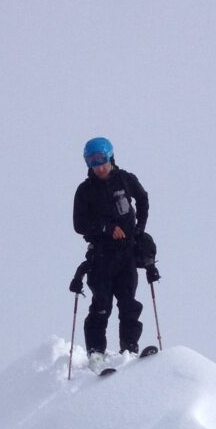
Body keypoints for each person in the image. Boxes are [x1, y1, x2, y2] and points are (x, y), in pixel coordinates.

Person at [73, 137, 150, 367]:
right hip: (101, 257)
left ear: (111, 157)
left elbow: (143, 200)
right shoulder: (85, 191)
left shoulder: (126, 179)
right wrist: (106, 228)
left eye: (102, 160)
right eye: (93, 162)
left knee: (128, 303)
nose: (100, 167)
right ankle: (96, 353)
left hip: (126, 255)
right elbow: (79, 224)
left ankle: (130, 348)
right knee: (101, 304)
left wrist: (138, 232)